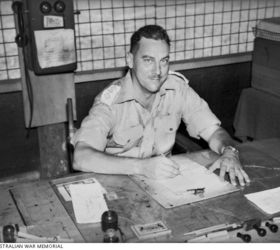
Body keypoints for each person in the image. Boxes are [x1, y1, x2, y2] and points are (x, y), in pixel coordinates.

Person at [72, 25, 250, 186]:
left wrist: (229, 152)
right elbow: (81, 157)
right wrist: (141, 167)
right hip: (118, 184)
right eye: (148, 60)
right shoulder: (111, 101)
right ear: (130, 60)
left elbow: (214, 131)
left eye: (164, 61)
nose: (158, 71)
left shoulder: (177, 89)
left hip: (165, 185)